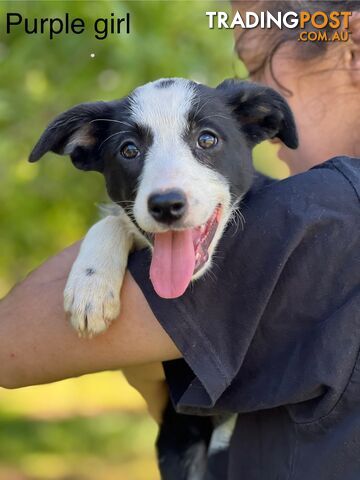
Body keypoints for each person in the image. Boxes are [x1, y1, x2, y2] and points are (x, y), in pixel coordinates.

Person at [0, 1, 359, 478]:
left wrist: (113, 233)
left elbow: (11, 347)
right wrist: (113, 231)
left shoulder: (313, 212)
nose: (167, 187)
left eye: (205, 140)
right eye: (130, 149)